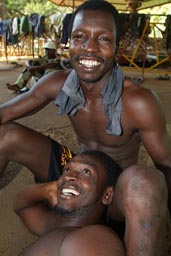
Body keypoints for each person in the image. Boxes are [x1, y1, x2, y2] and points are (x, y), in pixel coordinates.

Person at [0, 0, 171, 255]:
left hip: (115, 188)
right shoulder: (58, 82)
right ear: (69, 41)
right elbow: (5, 113)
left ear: (116, 46)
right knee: (5, 135)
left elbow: (167, 164)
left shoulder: (139, 102)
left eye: (103, 39)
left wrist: (159, 218)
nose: (89, 48)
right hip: (77, 169)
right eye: (80, 36)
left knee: (143, 183)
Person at [14, 150, 125, 256]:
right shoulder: (54, 224)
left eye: (86, 172)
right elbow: (22, 205)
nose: (68, 176)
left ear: (107, 195)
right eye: (67, 170)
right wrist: (48, 189)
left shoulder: (96, 239)